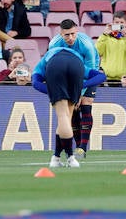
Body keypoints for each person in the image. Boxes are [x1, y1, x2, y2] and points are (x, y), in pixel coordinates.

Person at [33, 23, 106, 169]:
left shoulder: (85, 46)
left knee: (63, 116)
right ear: (61, 35)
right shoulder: (66, 50)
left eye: (73, 34)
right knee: (67, 116)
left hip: (61, 68)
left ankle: (70, 157)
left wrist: (54, 91)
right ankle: (57, 156)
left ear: (77, 32)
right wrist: (76, 88)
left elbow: (35, 82)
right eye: (67, 35)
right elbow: (101, 76)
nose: (71, 38)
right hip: (78, 67)